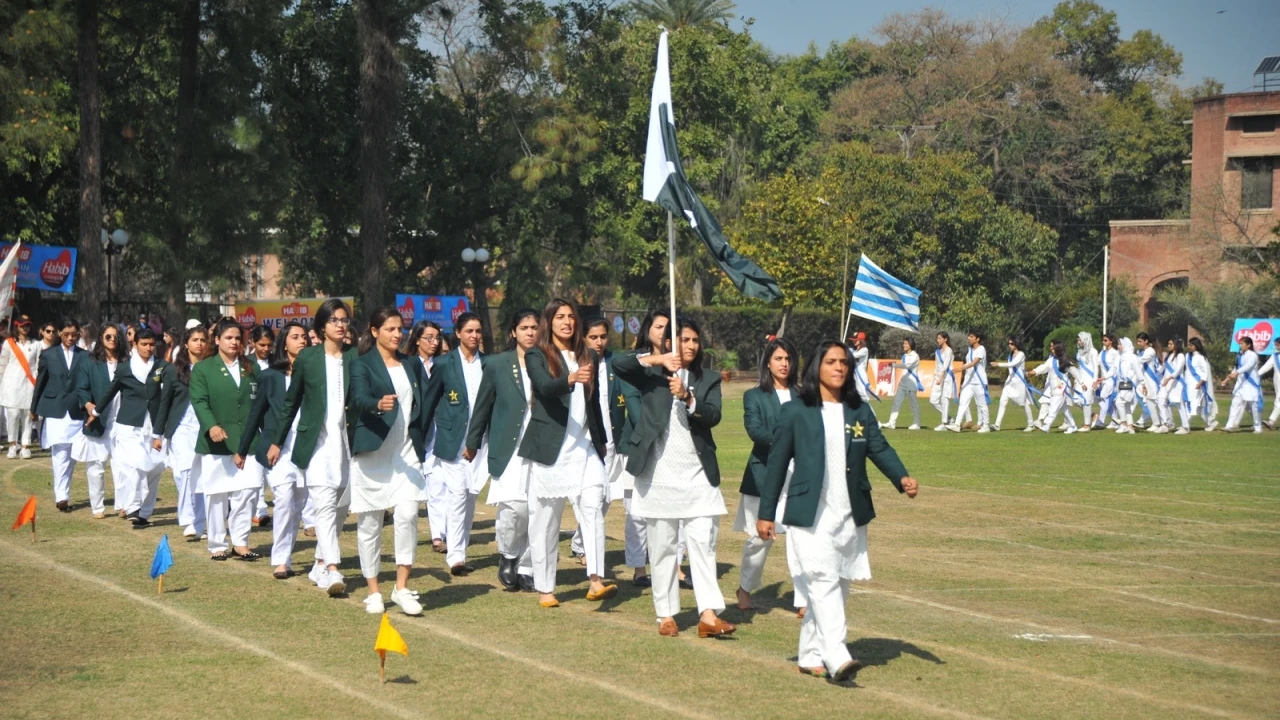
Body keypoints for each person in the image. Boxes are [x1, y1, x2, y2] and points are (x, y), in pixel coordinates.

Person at [758, 340, 918, 683]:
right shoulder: (797, 410)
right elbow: (776, 465)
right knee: (821, 580)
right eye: (831, 361)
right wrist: (766, 513)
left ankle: (810, 654)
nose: (839, 368)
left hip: (849, 513)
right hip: (808, 514)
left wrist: (901, 476)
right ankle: (836, 653)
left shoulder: (858, 410)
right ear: (818, 366)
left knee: (837, 585)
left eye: (844, 362)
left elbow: (878, 447)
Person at [613, 316, 735, 638]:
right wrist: (657, 359)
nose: (691, 345)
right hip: (658, 474)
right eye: (684, 339)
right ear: (670, 343)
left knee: (702, 544)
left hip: (697, 475)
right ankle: (665, 614)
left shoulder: (707, 378)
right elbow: (618, 364)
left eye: (695, 340)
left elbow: (713, 415)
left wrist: (687, 397)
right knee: (663, 546)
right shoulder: (651, 376)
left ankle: (708, 614)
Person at [510, 300, 612, 607]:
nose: (567, 322)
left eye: (571, 317)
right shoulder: (536, 354)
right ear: (549, 322)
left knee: (594, 505)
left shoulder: (589, 354)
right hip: (551, 448)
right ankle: (545, 589)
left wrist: (602, 439)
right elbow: (543, 386)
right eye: (560, 317)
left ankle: (595, 579)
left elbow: (592, 402)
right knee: (545, 521)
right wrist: (569, 379)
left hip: (585, 447)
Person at [268, 299, 355, 596]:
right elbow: (291, 402)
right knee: (324, 506)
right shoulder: (308, 359)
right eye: (335, 320)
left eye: (344, 320)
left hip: (346, 444)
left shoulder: (353, 358)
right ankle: (332, 569)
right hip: (316, 444)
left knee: (342, 505)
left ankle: (319, 563)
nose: (341, 325)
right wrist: (277, 441)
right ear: (322, 327)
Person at [347, 307, 430, 616]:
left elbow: (421, 403)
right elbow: (357, 398)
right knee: (370, 524)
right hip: (373, 453)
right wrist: (376, 404)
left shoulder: (411, 364)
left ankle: (402, 587)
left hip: (406, 453)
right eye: (390, 329)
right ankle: (373, 591)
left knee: (408, 516)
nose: (397, 334)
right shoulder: (362, 365)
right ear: (374, 331)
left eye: (400, 329)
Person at [465, 310, 540, 592]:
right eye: (524, 327)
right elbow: (483, 405)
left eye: (534, 327)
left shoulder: (551, 362)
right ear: (513, 332)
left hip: (542, 446)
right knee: (513, 508)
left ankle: (529, 567)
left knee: (539, 509)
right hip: (508, 446)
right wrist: (472, 442)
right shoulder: (498, 364)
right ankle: (508, 555)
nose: (530, 332)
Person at [735, 335, 803, 613]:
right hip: (764, 476)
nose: (784, 364)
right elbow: (755, 431)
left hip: (800, 478)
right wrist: (785, 442)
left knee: (801, 538)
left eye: (788, 359)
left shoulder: (804, 395)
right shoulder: (754, 396)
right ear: (768, 363)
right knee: (761, 538)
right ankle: (744, 587)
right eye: (778, 358)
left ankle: (804, 599)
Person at [238, 322, 310, 578]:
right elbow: (255, 414)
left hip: (306, 447)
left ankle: (287, 552)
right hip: (276, 450)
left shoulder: (313, 375)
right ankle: (280, 560)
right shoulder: (270, 376)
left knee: (298, 506)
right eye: (295, 337)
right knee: (283, 500)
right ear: (285, 343)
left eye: (304, 337)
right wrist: (243, 449)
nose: (301, 341)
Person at [191, 318, 264, 560]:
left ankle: (241, 542)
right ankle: (217, 543)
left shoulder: (252, 367)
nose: (234, 342)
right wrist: (211, 425)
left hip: (249, 440)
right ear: (217, 340)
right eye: (229, 338)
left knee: (248, 491)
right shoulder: (204, 368)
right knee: (218, 494)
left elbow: (260, 402)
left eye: (237, 338)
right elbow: (199, 401)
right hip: (218, 441)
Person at [420, 312, 487, 576]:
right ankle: (455, 556)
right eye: (469, 331)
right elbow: (430, 402)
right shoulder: (444, 363)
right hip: (452, 442)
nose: (474, 336)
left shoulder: (489, 364)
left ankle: (461, 548)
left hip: (480, 441)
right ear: (458, 333)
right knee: (458, 495)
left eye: (478, 331)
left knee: (470, 496)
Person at [91, 327, 169, 528]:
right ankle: (132, 507)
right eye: (144, 344)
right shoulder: (125, 368)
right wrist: (96, 412)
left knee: (155, 469)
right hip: (128, 425)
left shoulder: (162, 366)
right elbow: (110, 392)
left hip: (153, 426)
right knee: (135, 466)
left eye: (152, 344)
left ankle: (144, 514)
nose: (148, 348)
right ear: (135, 345)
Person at [568, 318, 624, 571]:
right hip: (580, 440)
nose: (599, 342)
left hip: (608, 440)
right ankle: (586, 549)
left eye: (603, 336)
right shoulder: (575, 362)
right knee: (584, 495)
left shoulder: (614, 364)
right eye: (593, 337)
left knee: (604, 496)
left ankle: (581, 542)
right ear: (583, 338)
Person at [30, 318, 88, 512]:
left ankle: (64, 491)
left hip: (76, 410)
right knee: (60, 453)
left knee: (72, 455)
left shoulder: (85, 356)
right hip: (55, 409)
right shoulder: (48, 355)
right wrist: (34, 408)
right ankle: (61, 496)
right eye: (66, 334)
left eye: (74, 335)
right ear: (59, 334)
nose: (70, 338)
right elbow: (41, 381)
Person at [160, 325, 209, 541]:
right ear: (186, 343)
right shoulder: (173, 370)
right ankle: (188, 520)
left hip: (206, 427)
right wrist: (157, 434)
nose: (199, 343)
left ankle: (202, 522)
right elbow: (165, 402)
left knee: (204, 475)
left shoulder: (212, 368)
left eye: (203, 340)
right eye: (195, 340)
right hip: (181, 428)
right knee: (187, 472)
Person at [72, 324, 124, 519]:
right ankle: (97, 507)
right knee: (96, 467)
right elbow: (82, 388)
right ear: (101, 338)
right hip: (98, 420)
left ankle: (122, 505)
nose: (112, 340)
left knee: (122, 466)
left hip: (122, 421)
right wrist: (88, 406)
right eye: (108, 336)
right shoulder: (90, 361)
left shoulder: (126, 361)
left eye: (116, 336)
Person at [406, 320, 447, 553]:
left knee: (437, 483)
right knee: (412, 485)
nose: (434, 342)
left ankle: (438, 535)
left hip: (440, 430)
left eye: (437, 338)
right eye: (429, 338)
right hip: (415, 430)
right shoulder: (408, 364)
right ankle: (408, 532)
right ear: (417, 339)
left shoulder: (443, 364)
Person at [246, 325, 277, 527]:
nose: (266, 349)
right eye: (261, 345)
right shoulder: (245, 364)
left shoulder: (277, 362)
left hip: (272, 416)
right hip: (251, 415)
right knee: (254, 466)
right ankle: (258, 510)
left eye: (269, 345)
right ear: (252, 343)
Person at [1, 314, 40, 459]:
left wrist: (35, 381)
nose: (25, 328)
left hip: (29, 384)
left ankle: (25, 446)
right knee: (13, 415)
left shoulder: (36, 344)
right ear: (16, 325)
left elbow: (37, 365)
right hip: (11, 385)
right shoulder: (9, 343)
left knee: (27, 416)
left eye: (28, 325)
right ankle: (12, 444)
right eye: (22, 325)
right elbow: (2, 364)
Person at [1029, 340, 1083, 433]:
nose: (1051, 349)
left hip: (1061, 388)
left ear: (1057, 348)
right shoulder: (1051, 360)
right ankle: (1073, 426)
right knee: (1064, 409)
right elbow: (1043, 367)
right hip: (1054, 389)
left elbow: (1074, 372)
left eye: (1052, 347)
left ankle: (1046, 426)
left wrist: (1082, 383)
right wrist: (1033, 372)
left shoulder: (1065, 361)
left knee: (1053, 407)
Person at [991, 337, 1037, 432]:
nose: (1009, 345)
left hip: (1019, 383)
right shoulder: (1010, 355)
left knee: (1023, 403)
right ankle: (997, 425)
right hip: (1010, 382)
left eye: (1011, 344)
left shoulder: (1021, 354)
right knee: (1002, 401)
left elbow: (1012, 364)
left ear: (1016, 344)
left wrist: (998, 364)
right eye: (1009, 344)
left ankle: (1031, 424)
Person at [1219, 336, 1263, 434]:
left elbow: (1248, 366)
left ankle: (1258, 426)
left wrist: (1236, 373)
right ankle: (1229, 425)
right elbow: (1237, 368)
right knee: (1235, 404)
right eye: (1240, 343)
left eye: (1242, 344)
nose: (1240, 345)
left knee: (1254, 407)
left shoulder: (1253, 355)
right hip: (1240, 384)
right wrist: (1226, 379)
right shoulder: (1240, 355)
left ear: (1248, 345)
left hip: (1251, 384)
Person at [950, 331, 990, 433]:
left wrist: (960, 369)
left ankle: (986, 425)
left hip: (979, 381)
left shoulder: (981, 349)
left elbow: (974, 363)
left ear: (977, 339)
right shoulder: (970, 350)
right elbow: (969, 363)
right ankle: (957, 424)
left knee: (981, 404)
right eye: (969, 336)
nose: (969, 338)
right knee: (963, 402)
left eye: (971, 337)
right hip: (969, 381)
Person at [883, 338, 921, 430]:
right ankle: (892, 423)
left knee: (913, 404)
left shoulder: (915, 356)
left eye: (906, 344)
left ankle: (917, 423)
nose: (904, 345)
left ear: (911, 345)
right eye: (904, 343)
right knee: (896, 402)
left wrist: (894, 365)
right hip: (903, 383)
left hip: (911, 384)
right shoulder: (904, 355)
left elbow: (907, 365)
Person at [1154, 338, 1190, 435]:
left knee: (1180, 405)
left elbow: (1178, 370)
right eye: (1168, 343)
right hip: (1166, 383)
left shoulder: (1181, 356)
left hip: (1176, 383)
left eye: (1171, 343)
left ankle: (1185, 427)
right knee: (1160, 400)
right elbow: (1163, 367)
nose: (1169, 345)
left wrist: (1169, 378)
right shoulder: (1169, 356)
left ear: (1176, 344)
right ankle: (1165, 424)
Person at [1186, 338, 1218, 433]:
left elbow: (1205, 373)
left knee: (1192, 405)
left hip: (1197, 385)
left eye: (1191, 345)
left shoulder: (1201, 357)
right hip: (1189, 384)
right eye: (1189, 345)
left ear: (1196, 346)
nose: (1189, 347)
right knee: (1199, 409)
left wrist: (1200, 383)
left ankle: (1185, 425)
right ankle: (1211, 423)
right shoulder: (1187, 356)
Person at [1113, 338, 1141, 434]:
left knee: (1119, 402)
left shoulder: (1132, 357)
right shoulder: (1120, 357)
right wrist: (1104, 377)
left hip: (1130, 384)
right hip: (1121, 384)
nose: (1118, 346)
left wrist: (1142, 383)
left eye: (1120, 344)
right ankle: (1130, 427)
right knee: (1127, 406)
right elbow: (1114, 369)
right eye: (1118, 344)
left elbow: (1138, 371)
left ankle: (1123, 424)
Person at [929, 332, 956, 431]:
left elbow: (946, 365)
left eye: (940, 338)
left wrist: (941, 377)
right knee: (933, 400)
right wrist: (936, 377)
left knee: (945, 400)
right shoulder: (937, 351)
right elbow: (937, 365)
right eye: (937, 338)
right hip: (937, 377)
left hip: (946, 377)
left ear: (945, 339)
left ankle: (944, 423)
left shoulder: (949, 351)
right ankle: (949, 418)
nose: (938, 340)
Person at [1074, 332, 1100, 432]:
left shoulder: (1093, 351)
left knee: (1086, 402)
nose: (1078, 342)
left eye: (1080, 340)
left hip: (1089, 379)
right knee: (1076, 400)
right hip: (1081, 380)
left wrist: (1095, 381)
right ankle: (1093, 415)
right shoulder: (1079, 352)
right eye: (1078, 340)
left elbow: (1095, 367)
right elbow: (1079, 368)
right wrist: (1077, 380)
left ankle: (1087, 425)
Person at [1134, 333, 1161, 429]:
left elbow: (1141, 360)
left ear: (1146, 341)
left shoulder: (1150, 351)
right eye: (1137, 341)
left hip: (1151, 379)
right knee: (1148, 401)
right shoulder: (1140, 351)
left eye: (1140, 341)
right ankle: (1146, 421)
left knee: (1152, 401)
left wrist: (1130, 360)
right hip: (1144, 380)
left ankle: (1157, 423)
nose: (1138, 343)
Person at [1093, 334, 1121, 429]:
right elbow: (1096, 364)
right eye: (1103, 340)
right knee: (1111, 402)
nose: (1103, 342)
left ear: (1111, 341)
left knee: (1103, 398)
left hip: (1111, 379)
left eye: (1105, 340)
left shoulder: (1115, 353)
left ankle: (1101, 420)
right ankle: (1115, 421)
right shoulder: (1102, 352)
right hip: (1103, 380)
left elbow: (1115, 368)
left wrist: (1106, 377)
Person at [849, 332, 879, 416]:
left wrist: (846, 351)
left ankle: (875, 420)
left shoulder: (864, 350)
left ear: (861, 340)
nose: (854, 341)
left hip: (861, 377)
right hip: (855, 376)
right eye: (853, 340)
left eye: (856, 340)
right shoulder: (853, 350)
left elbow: (854, 356)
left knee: (864, 399)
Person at [1261, 338, 1280, 430]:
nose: (1276, 347)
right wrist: (1256, 375)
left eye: (1277, 345)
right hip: (1278, 382)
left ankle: (1271, 421)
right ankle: (1271, 421)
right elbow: (1266, 367)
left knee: (1278, 400)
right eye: (1276, 345)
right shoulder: (1275, 356)